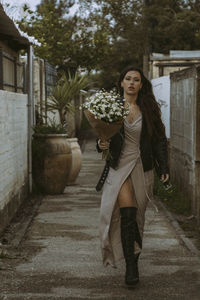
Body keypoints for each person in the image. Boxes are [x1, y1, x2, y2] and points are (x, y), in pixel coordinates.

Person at [96, 66, 169, 286]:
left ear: (141, 84)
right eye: (127, 79)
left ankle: (133, 259)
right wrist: (102, 144)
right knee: (127, 215)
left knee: (138, 219)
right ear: (121, 83)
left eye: (136, 80)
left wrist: (163, 167)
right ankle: (131, 268)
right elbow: (102, 139)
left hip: (142, 167)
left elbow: (159, 140)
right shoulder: (111, 108)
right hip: (119, 167)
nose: (131, 83)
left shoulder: (148, 109)